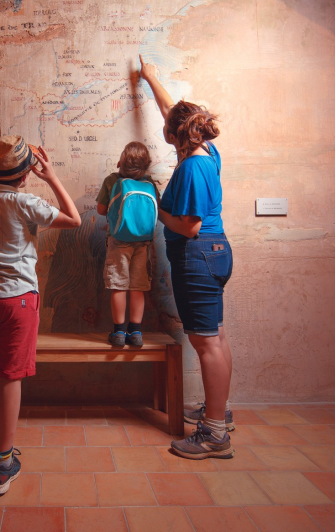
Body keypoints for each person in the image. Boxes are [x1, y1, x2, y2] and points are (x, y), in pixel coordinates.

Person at [0, 136, 81, 494]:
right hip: (20, 302)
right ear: (27, 174)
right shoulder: (27, 203)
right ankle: (2, 462)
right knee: (11, 376)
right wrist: (53, 178)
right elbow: (74, 219)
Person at [139, 54, 235, 460]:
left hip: (198, 254)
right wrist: (150, 78)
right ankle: (218, 414)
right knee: (215, 338)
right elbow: (172, 112)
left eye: (167, 127)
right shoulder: (205, 149)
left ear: (176, 135)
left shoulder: (193, 167)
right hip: (212, 254)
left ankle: (214, 433)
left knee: (206, 342)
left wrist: (155, 206)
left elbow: (189, 226)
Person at [96, 142, 155, 347]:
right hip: (143, 242)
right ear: (146, 165)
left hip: (118, 240)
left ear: (121, 162)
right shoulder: (150, 183)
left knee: (118, 285)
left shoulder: (112, 180)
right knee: (138, 287)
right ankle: (136, 331)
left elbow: (101, 210)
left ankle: (119, 333)